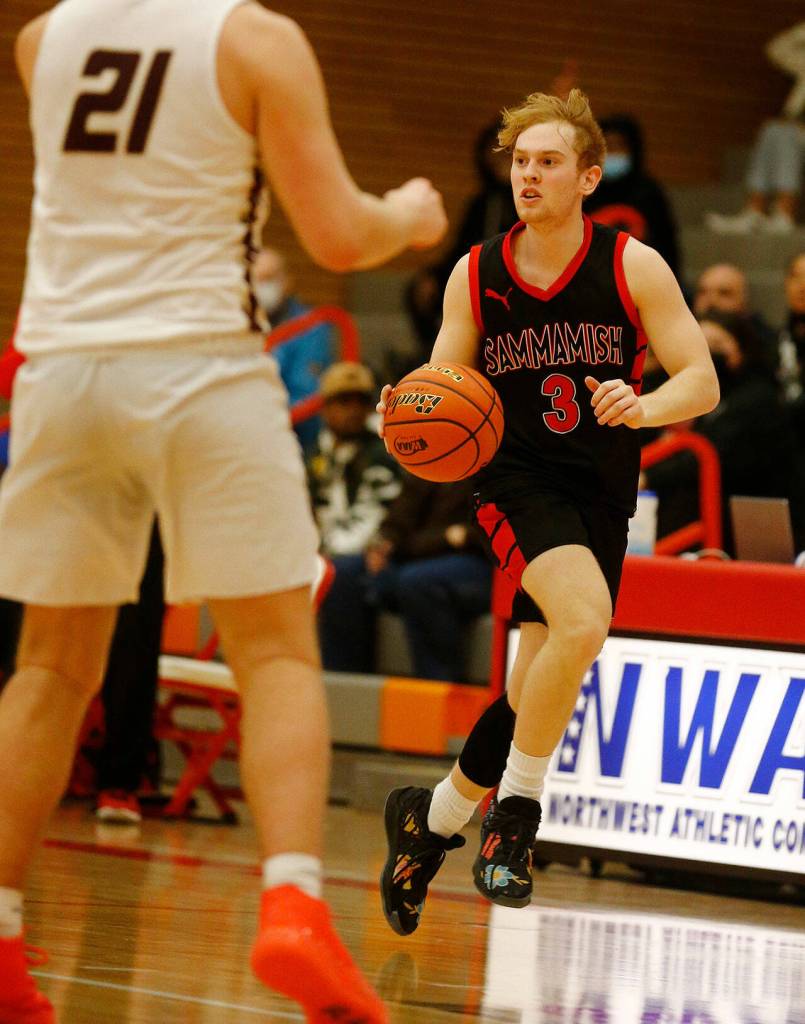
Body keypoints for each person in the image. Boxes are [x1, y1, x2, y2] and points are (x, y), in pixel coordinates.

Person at [0, 2, 446, 1022]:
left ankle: (0, 936)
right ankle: (292, 903)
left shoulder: (43, 39)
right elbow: (336, 229)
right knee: (278, 653)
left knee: (47, 667)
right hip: (197, 362)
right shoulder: (254, 41)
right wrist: (412, 214)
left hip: (62, 371)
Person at [376, 88, 719, 936]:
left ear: (588, 177)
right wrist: (406, 414)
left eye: (548, 161)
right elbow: (441, 387)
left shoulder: (631, 264)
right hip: (513, 480)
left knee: (535, 680)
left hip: (600, 489)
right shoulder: (477, 271)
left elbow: (700, 381)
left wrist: (642, 406)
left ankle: (431, 824)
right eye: (520, 161)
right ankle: (513, 824)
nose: (528, 175)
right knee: (584, 622)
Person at [643, 310, 805, 553]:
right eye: (701, 345)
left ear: (740, 350)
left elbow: (710, 450)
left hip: (771, 518)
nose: (708, 354)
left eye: (717, 345)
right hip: (725, 517)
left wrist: (647, 477)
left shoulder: (757, 398)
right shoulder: (703, 400)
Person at [319, 471, 491, 680]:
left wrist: (447, 539)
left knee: (418, 581)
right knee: (343, 573)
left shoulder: (498, 459)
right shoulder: (431, 457)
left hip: (480, 561)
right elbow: (399, 518)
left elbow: (483, 531)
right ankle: (343, 686)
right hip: (418, 552)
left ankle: (439, 687)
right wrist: (385, 542)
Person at [706, 23, 805, 234]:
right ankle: (754, 211)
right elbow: (777, 49)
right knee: (772, 130)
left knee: (786, 134)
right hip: (795, 129)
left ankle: (785, 211)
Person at [255, 246, 335, 452]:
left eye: (269, 278)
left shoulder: (310, 327)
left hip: (300, 444)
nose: (261, 286)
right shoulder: (240, 324)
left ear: (287, 281)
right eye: (256, 279)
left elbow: (307, 395)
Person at [584, 114, 680, 277]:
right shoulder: (584, 191)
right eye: (606, 147)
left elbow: (668, 247)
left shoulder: (649, 192)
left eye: (618, 146)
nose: (612, 153)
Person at [692, 262, 778, 358]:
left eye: (724, 293)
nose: (711, 301)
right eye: (703, 292)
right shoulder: (678, 335)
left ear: (743, 301)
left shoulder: (766, 341)